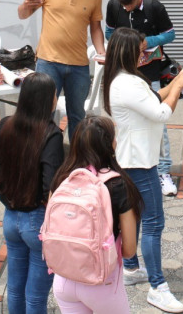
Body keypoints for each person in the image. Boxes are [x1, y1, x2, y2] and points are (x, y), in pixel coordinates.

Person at [102, 28, 183, 313]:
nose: (147, 54)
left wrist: (175, 82)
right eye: (142, 50)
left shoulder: (123, 79)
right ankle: (158, 287)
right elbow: (162, 112)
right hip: (139, 163)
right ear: (129, 52)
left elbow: (154, 98)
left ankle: (130, 268)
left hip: (132, 159)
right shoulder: (128, 83)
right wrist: (178, 88)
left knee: (134, 216)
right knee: (154, 223)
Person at [0, 73, 64, 314]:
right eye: (54, 94)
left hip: (10, 219)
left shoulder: (6, 125)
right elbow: (50, 185)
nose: (56, 98)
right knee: (35, 296)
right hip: (36, 220)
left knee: (14, 288)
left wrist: (1, 187)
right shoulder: (51, 134)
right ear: (47, 100)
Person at [50, 115, 143, 314]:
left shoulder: (62, 178)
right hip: (102, 283)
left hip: (63, 278)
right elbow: (129, 251)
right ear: (109, 145)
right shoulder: (118, 185)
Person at [18, 0, 106, 140]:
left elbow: (96, 27)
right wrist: (25, 6)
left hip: (78, 67)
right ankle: (43, 158)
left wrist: (101, 53)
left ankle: (76, 161)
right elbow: (23, 15)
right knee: (43, 115)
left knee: (78, 117)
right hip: (47, 62)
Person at [105, 0, 179, 196]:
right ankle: (130, 168)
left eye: (130, 4)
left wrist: (149, 41)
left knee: (159, 124)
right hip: (125, 71)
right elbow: (109, 33)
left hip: (150, 71)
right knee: (128, 123)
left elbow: (171, 34)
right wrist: (125, 44)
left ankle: (164, 171)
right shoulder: (113, 5)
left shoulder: (154, 7)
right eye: (123, 5)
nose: (126, 8)